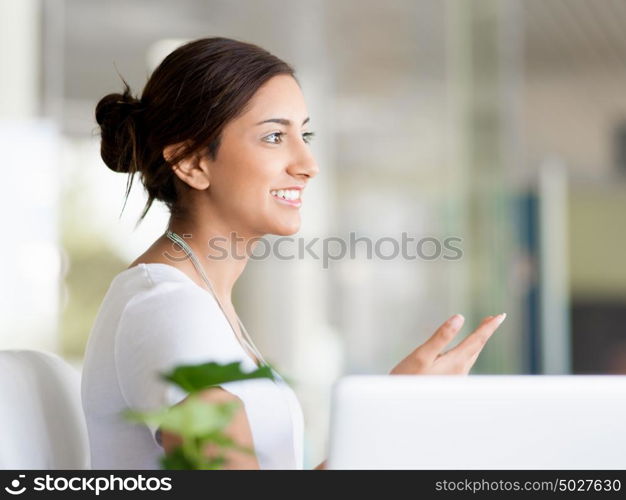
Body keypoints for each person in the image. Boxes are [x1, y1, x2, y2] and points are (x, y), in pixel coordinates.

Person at [80, 36, 506, 470]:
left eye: (305, 134)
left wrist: (391, 413)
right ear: (192, 163)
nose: (307, 163)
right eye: (274, 136)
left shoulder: (197, 301)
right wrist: (390, 422)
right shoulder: (168, 308)